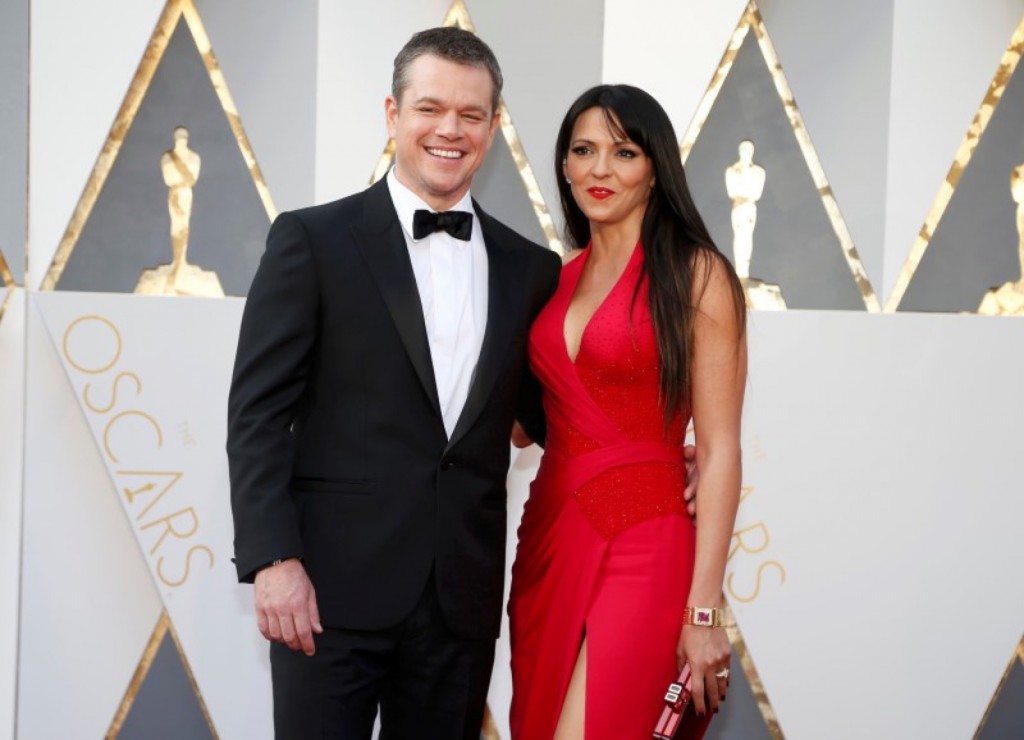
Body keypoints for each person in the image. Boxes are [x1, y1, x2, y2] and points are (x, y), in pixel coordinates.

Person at [226, 27, 561, 739]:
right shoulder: (312, 240)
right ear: (392, 114)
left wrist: (661, 452)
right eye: (430, 108)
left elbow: (547, 413)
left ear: (494, 128)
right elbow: (257, 413)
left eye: (471, 115)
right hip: (325, 594)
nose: (450, 129)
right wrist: (273, 558)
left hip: (459, 602)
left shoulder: (531, 269)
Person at [508, 84, 747, 739]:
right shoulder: (548, 283)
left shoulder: (697, 277)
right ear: (563, 166)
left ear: (654, 168)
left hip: (648, 538)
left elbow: (721, 447)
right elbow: (522, 424)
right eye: (583, 150)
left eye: (624, 151)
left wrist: (703, 613)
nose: (600, 169)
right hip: (550, 539)